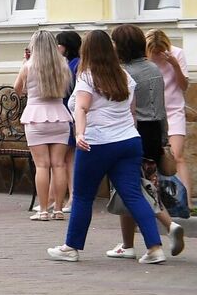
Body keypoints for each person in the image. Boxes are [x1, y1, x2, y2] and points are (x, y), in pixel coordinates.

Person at [49, 28, 166, 264]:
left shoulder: (87, 77)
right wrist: (128, 134)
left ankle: (71, 247)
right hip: (128, 142)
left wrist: (80, 133)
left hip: (97, 143)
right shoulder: (124, 76)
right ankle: (155, 248)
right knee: (134, 195)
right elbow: (132, 114)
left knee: (82, 196)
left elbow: (81, 108)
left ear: (88, 51)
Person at [111, 24, 182, 258]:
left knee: (131, 187)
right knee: (142, 185)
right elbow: (160, 109)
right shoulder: (153, 69)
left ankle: (168, 225)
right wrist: (164, 141)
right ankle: (128, 245)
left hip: (132, 131)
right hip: (153, 133)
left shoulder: (124, 72)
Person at [17, 29, 73, 220]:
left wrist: (24, 63)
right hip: (60, 116)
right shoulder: (63, 65)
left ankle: (42, 210)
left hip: (35, 116)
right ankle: (58, 209)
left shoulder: (28, 66)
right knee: (59, 165)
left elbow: (18, 89)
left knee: (42, 166)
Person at [147, 29, 189, 197]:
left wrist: (175, 65)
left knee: (177, 156)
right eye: (153, 50)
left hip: (173, 110)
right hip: (152, 113)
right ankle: (160, 200)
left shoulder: (177, 53)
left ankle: (185, 201)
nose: (157, 54)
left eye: (159, 50)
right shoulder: (144, 57)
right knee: (153, 159)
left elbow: (184, 86)